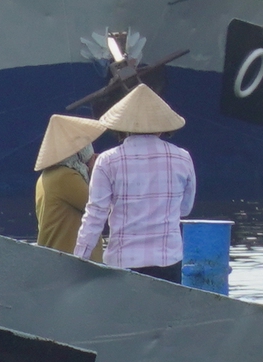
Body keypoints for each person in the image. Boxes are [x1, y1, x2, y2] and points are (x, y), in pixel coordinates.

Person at [71, 84, 196, 281]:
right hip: (168, 261)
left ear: (123, 126)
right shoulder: (182, 158)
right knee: (164, 312)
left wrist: (79, 259)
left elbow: (96, 215)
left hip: (122, 260)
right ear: (162, 127)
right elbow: (185, 209)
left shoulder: (107, 160)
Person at [32, 114, 103, 255]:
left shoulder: (48, 175)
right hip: (70, 263)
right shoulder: (66, 176)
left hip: (58, 259)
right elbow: (99, 206)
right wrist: (97, 173)